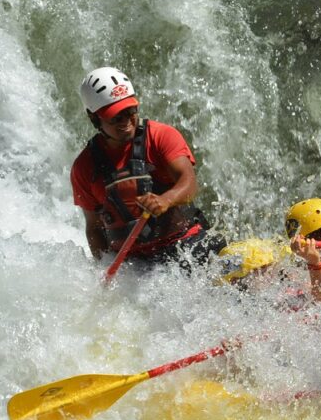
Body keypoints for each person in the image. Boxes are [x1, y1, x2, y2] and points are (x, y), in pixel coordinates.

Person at [70, 66, 224, 270]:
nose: (126, 122)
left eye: (130, 112)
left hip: (186, 244)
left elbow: (189, 183)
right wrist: (104, 271)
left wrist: (165, 200)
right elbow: (94, 228)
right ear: (93, 118)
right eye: (116, 117)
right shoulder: (83, 167)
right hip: (136, 266)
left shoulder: (161, 136)